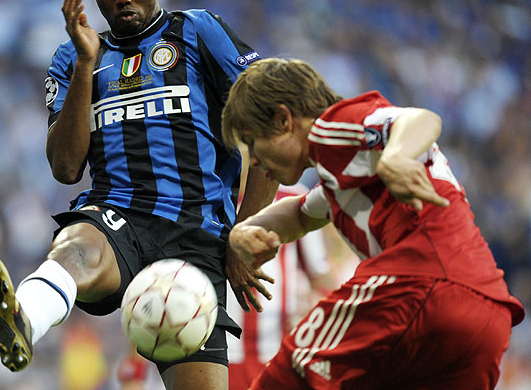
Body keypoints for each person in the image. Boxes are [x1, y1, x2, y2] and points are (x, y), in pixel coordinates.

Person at [0, 0, 278, 389]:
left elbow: (270, 124)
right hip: (117, 218)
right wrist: (85, 63)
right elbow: (65, 169)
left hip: (196, 237)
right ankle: (24, 317)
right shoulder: (72, 56)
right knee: (77, 246)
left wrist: (243, 232)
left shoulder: (199, 31)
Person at [221, 58, 525, 390]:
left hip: (420, 285)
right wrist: (243, 232)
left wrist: (396, 156)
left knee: (288, 373)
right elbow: (300, 214)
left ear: (284, 120)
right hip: (487, 315)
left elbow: (420, 119)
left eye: (252, 141)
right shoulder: (346, 177)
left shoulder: (331, 127)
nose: (253, 159)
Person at [227, 183, 357, 390]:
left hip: (277, 349)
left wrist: (320, 314)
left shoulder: (292, 198)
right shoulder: (214, 199)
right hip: (224, 350)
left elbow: (319, 277)